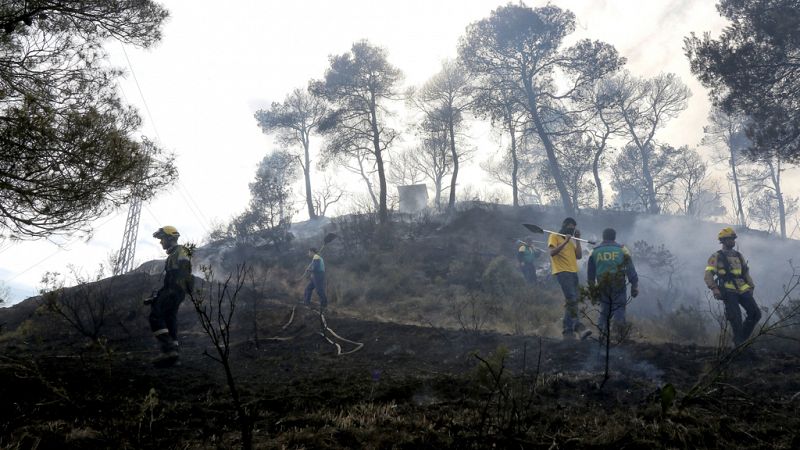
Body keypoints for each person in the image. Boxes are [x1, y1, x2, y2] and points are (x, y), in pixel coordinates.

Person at [704, 227, 761, 346]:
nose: (733, 241)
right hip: (727, 289)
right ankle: (739, 345)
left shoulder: (739, 256)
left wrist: (751, 287)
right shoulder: (716, 256)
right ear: (723, 241)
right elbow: (708, 274)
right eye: (730, 239)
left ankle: (741, 339)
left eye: (733, 239)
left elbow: (745, 273)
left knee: (755, 313)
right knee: (736, 318)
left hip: (742, 288)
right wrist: (714, 288)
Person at [147, 226, 193, 367]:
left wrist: (176, 289)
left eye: (162, 238)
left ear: (170, 238)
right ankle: (174, 354)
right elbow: (168, 281)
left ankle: (169, 349)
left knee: (155, 316)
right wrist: (158, 296)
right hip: (173, 290)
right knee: (169, 319)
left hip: (175, 289)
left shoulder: (181, 250)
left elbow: (185, 270)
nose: (161, 242)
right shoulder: (172, 255)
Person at [587, 228, 639, 339]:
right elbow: (630, 268)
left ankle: (601, 335)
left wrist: (592, 289)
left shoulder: (594, 251)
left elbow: (590, 273)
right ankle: (618, 335)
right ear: (614, 237)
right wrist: (634, 285)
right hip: (618, 281)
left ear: (603, 237)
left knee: (605, 309)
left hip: (602, 283)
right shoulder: (622, 249)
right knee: (619, 307)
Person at [548, 217, 591, 340]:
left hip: (573, 272)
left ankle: (567, 331)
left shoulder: (571, 241)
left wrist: (576, 241)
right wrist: (566, 241)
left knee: (573, 300)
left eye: (573, 229)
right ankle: (578, 326)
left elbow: (578, 256)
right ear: (564, 225)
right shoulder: (554, 236)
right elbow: (552, 253)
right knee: (571, 298)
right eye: (570, 227)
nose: (571, 230)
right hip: (562, 272)